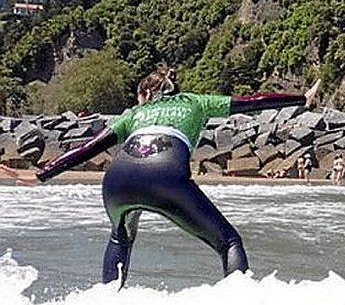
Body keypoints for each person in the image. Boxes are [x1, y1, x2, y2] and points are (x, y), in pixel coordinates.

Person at [1, 66, 321, 287]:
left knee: (120, 237)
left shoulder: (134, 114)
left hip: (117, 183)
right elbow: (250, 102)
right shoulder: (196, 101)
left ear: (144, 94)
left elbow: (88, 148)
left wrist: (41, 174)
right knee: (229, 242)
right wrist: (300, 98)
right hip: (166, 176)